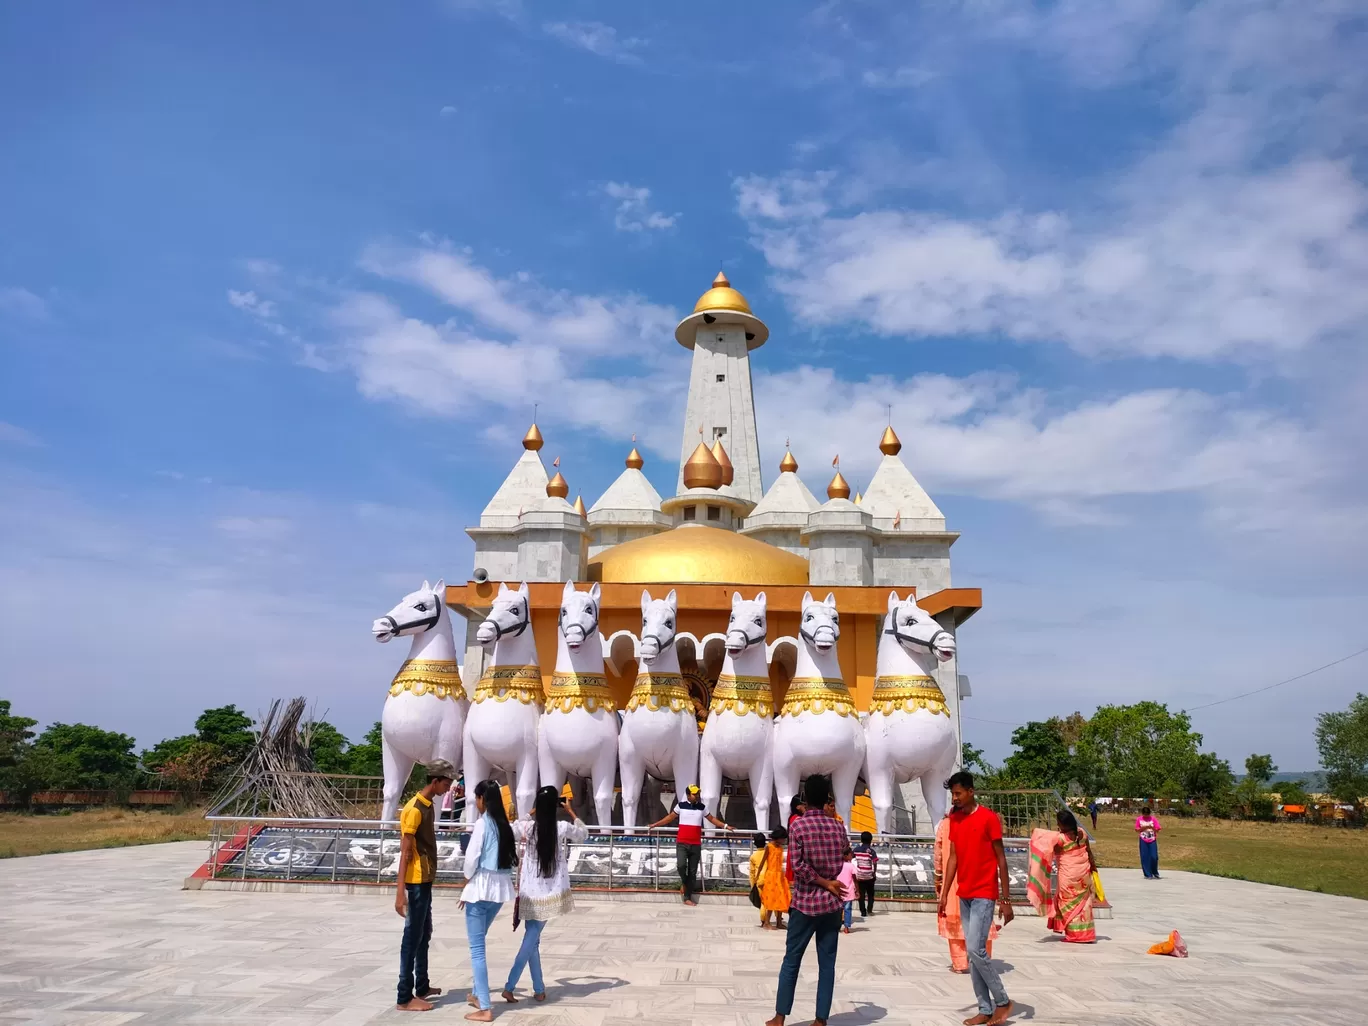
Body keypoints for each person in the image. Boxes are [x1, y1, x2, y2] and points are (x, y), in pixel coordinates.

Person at [767, 775, 847, 1026]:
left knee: (792, 960)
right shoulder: (837, 826)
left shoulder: (798, 826)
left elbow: (798, 866)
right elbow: (846, 853)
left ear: (805, 798)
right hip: (832, 904)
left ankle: (780, 1017)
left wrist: (822, 881)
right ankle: (820, 1020)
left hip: (804, 904)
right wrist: (830, 881)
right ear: (826, 798)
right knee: (827, 965)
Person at [938, 771, 1014, 1026]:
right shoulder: (955, 819)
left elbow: (1001, 859)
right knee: (973, 955)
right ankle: (984, 1008)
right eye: (953, 794)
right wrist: (944, 892)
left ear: (971, 791)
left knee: (976, 949)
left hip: (984, 892)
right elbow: (953, 858)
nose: (955, 798)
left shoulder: (989, 818)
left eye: (958, 793)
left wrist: (1006, 899)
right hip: (965, 894)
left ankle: (1002, 1001)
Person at [502, 785, 588, 1003]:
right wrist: (570, 811)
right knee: (531, 941)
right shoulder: (560, 827)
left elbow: (512, 827)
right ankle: (510, 985)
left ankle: (539, 989)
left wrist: (530, 811)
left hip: (530, 892)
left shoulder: (528, 828)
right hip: (549, 893)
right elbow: (583, 834)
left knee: (533, 941)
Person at [394, 759, 455, 1012]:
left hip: (426, 879)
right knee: (412, 936)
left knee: (424, 933)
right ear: (435, 781)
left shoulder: (428, 805)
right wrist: (400, 893)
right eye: (446, 784)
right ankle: (404, 997)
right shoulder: (415, 809)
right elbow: (405, 851)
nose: (447, 788)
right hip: (416, 881)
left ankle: (422, 985)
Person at [461, 779, 516, 1022]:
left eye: (477, 797)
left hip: (482, 888)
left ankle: (485, 1006)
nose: (476, 802)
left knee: (477, 950)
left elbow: (472, 858)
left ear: (483, 798)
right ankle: (476, 993)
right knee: (479, 941)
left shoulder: (483, 824)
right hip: (499, 889)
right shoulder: (505, 825)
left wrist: (466, 882)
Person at [647, 784, 736, 905]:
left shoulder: (702, 807)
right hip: (682, 843)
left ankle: (687, 897)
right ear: (688, 795)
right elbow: (669, 818)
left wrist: (725, 826)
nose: (697, 796)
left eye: (698, 793)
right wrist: (655, 825)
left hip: (695, 844)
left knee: (693, 872)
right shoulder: (680, 806)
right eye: (694, 794)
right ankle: (684, 883)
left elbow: (712, 819)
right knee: (681, 866)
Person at [934, 811, 996, 974]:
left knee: (955, 921)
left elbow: (939, 854)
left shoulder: (945, 825)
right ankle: (983, 961)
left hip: (953, 881)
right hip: (978, 879)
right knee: (981, 920)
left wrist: (938, 878)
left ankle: (960, 963)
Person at [1026, 809, 1097, 944]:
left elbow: (1040, 841)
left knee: (1067, 902)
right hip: (1083, 874)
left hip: (1068, 876)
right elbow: (1089, 851)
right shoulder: (1082, 834)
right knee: (1083, 904)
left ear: (1062, 824)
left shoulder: (1060, 839)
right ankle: (1085, 934)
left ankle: (1074, 935)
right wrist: (1094, 868)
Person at [759, 826, 791, 929]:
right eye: (783, 838)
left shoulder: (780, 848)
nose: (784, 840)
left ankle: (779, 922)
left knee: (781, 898)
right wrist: (758, 876)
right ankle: (767, 922)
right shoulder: (769, 847)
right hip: (771, 876)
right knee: (771, 899)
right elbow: (763, 862)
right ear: (778, 837)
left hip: (780, 875)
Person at [851, 831, 878, 919]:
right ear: (871, 840)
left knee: (861, 895)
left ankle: (863, 911)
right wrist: (874, 873)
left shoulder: (856, 849)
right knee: (870, 894)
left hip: (859, 876)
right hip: (869, 876)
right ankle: (869, 909)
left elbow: (851, 858)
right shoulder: (871, 851)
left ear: (861, 840)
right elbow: (874, 862)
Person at [749, 832, 770, 928]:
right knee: (773, 901)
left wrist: (753, 885)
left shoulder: (753, 856)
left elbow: (752, 873)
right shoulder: (769, 853)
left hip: (760, 880)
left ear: (755, 844)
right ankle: (778, 919)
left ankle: (763, 920)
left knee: (763, 902)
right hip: (770, 878)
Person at [1135, 806, 1161, 879]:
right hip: (1143, 839)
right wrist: (1144, 828)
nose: (1146, 816)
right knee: (1145, 857)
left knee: (1154, 856)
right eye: (1145, 814)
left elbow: (1158, 830)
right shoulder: (1139, 819)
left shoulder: (1153, 819)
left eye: (1147, 814)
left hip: (1152, 839)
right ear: (1142, 813)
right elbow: (1137, 830)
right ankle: (1147, 874)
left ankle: (1154, 871)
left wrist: (1152, 827)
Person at [836, 848, 858, 934]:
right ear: (846, 855)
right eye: (850, 854)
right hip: (848, 891)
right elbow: (855, 879)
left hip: (838, 891)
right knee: (848, 909)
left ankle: (837, 926)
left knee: (838, 910)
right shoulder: (851, 866)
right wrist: (857, 890)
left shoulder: (837, 865)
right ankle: (846, 927)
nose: (852, 856)